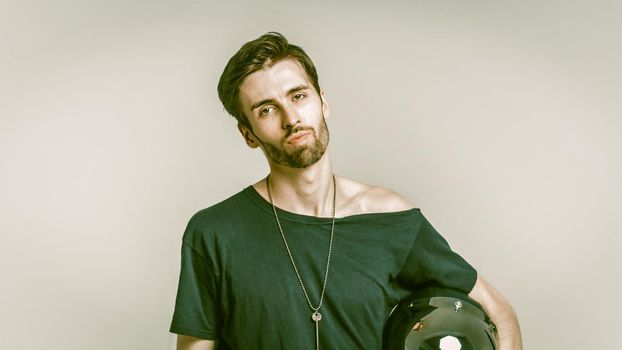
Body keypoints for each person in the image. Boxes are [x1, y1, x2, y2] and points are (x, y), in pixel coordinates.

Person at [169, 32, 522, 350]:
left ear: (323, 102)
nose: (291, 118)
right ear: (248, 134)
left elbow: (498, 311)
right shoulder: (214, 233)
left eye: (298, 95)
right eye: (266, 109)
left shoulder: (389, 217)